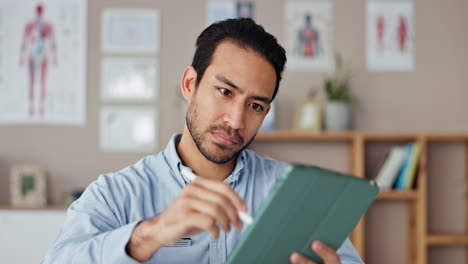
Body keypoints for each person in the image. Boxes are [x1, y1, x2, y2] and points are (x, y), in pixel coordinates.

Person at [41, 18, 363, 264]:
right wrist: (147, 235)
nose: (235, 121)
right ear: (189, 84)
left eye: (255, 106)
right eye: (225, 92)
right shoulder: (116, 194)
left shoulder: (295, 193)